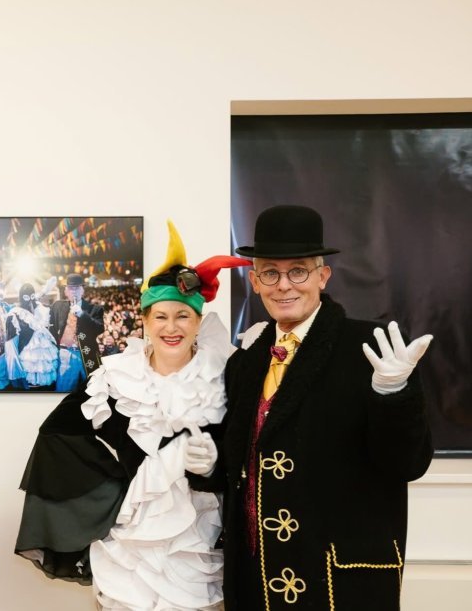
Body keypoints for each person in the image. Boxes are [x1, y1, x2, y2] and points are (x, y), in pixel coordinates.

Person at [185, 205, 434, 610]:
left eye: (298, 271)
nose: (284, 285)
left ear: (323, 276)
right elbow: (247, 461)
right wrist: (214, 463)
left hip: (337, 582)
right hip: (257, 582)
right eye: (270, 273)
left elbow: (407, 464)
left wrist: (393, 394)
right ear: (255, 282)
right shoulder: (244, 362)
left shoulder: (371, 349)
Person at [15, 221, 250, 610]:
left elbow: (250, 455)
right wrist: (120, 485)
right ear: (145, 320)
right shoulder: (116, 379)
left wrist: (214, 465)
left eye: (183, 316)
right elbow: (56, 433)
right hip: (129, 547)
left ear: (197, 321)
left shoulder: (227, 375)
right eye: (160, 316)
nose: (171, 327)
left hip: (200, 545)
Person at [49, 273, 105, 392]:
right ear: (66, 291)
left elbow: (100, 328)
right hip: (65, 354)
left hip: (87, 355)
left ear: (82, 290)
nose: (74, 291)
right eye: (70, 288)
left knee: (92, 392)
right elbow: (50, 328)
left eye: (77, 288)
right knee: (64, 391)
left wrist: (82, 314)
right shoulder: (57, 306)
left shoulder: (95, 309)